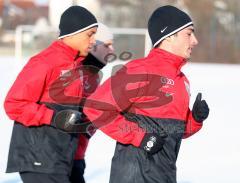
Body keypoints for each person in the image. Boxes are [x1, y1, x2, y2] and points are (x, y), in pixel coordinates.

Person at [83, 5, 209, 183]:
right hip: (133, 177)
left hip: (165, 175)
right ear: (169, 36)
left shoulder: (182, 80)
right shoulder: (140, 70)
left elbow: (174, 132)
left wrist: (195, 119)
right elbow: (95, 107)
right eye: (189, 34)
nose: (195, 41)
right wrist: (140, 137)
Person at [4, 6, 98, 183]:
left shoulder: (76, 66)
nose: (94, 40)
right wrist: (54, 117)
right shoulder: (45, 62)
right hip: (39, 158)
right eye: (90, 34)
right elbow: (14, 104)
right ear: (73, 32)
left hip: (63, 158)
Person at [70, 23, 114, 183]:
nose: (112, 50)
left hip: (78, 157)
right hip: (58, 159)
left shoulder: (95, 76)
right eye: (108, 45)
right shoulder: (72, 71)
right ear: (94, 45)